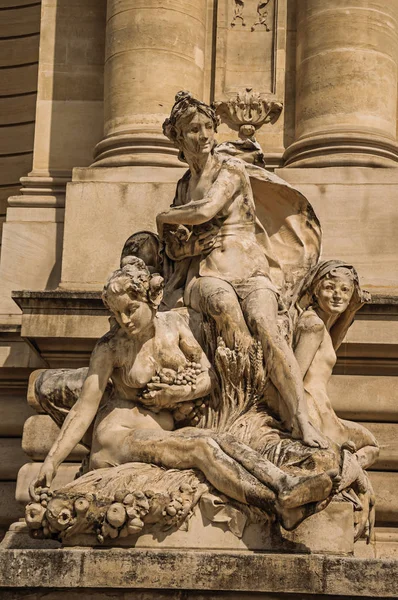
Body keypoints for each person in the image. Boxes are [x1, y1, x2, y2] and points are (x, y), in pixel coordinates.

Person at [30, 259, 337, 530]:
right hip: (117, 438)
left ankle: (286, 483)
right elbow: (84, 408)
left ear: (153, 297)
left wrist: (175, 394)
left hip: (155, 434)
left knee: (222, 440)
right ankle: (278, 502)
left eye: (131, 309)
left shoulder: (175, 325)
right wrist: (52, 461)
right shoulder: (111, 348)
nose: (124, 320)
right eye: (117, 312)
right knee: (202, 448)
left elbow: (208, 376)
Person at [157, 91, 327, 450]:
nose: (203, 135)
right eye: (193, 130)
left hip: (249, 268)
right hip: (206, 275)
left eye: (207, 127)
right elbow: (176, 247)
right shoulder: (183, 185)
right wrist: (183, 244)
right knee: (225, 310)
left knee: (268, 328)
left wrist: (165, 217)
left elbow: (206, 210)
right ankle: (235, 410)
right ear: (178, 137)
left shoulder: (229, 168)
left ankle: (301, 420)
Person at [293, 260, 379, 539]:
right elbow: (293, 375)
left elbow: (332, 345)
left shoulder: (321, 325)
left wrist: (352, 310)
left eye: (345, 289)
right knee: (370, 447)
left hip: (322, 407)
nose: (337, 295)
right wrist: (301, 419)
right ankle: (348, 472)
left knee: (371, 445)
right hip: (311, 407)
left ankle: (346, 469)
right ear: (315, 289)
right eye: (330, 287)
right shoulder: (312, 325)